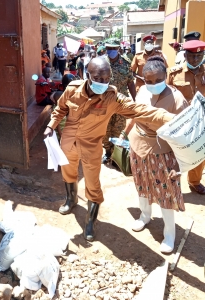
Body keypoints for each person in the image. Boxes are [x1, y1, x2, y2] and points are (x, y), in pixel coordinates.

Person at [43, 57, 175, 242]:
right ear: (88, 75)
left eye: (107, 79)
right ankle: (70, 199)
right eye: (98, 78)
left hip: (91, 147)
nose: (103, 83)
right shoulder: (73, 89)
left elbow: (140, 110)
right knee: (69, 173)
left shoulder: (112, 97)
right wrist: (51, 125)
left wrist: (170, 117)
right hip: (68, 143)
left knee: (92, 184)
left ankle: (90, 221)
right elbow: (61, 108)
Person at [121, 57, 188, 253]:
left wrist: (180, 164)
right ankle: (145, 216)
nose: (152, 85)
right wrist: (124, 135)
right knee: (141, 185)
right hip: (138, 145)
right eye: (148, 81)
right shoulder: (141, 91)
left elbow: (182, 133)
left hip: (163, 151)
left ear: (165, 77)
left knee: (165, 193)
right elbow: (134, 114)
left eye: (157, 80)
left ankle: (169, 234)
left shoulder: (177, 99)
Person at [167, 40, 205, 194]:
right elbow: (165, 95)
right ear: (185, 55)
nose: (195, 59)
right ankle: (170, 181)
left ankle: (194, 181)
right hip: (180, 121)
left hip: (201, 121)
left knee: (199, 151)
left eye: (199, 56)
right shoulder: (174, 73)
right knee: (174, 152)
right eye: (191, 56)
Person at [102, 38, 136, 164]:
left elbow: (130, 82)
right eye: (108, 48)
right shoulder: (101, 63)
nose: (111, 51)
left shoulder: (126, 63)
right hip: (104, 101)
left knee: (119, 128)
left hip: (121, 103)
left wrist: (135, 100)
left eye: (113, 48)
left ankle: (116, 155)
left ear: (118, 49)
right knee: (105, 128)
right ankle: (108, 152)